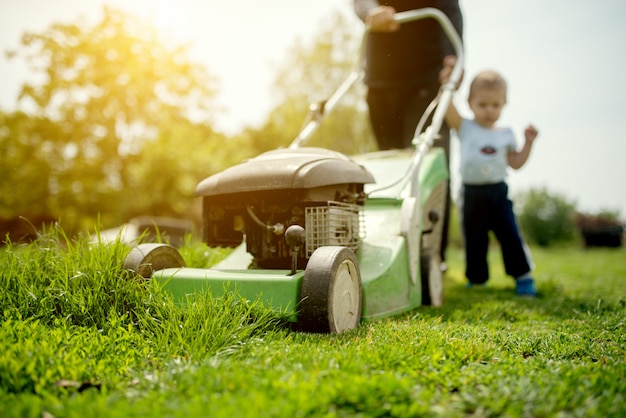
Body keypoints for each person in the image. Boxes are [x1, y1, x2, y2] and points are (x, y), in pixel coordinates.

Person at [353, 0, 463, 269]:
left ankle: (433, 258)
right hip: (381, 79)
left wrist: (454, 57)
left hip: (428, 76)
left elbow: (449, 9)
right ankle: (386, 250)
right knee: (387, 171)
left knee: (427, 167)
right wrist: (370, 13)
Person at [442, 69, 538, 296]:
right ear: (470, 103)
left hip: (497, 192)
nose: (489, 110)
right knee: (474, 238)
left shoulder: (506, 134)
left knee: (509, 233)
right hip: (471, 192)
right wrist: (448, 83)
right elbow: (447, 107)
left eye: (495, 105)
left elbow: (515, 163)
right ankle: (477, 279)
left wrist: (528, 143)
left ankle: (523, 277)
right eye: (482, 104)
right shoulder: (464, 127)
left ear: (504, 104)